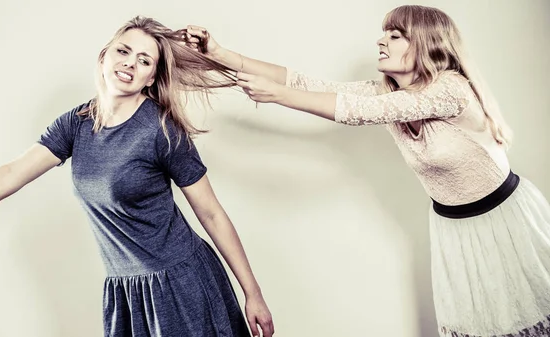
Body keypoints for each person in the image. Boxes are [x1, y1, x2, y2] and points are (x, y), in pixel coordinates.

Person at [183, 5, 550, 337]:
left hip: (503, 222)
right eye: (384, 33)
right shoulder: (386, 91)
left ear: (425, 43)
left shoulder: (451, 89)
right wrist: (222, 55)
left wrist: (276, 96)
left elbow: (354, 112)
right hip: (453, 228)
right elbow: (307, 84)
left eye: (395, 35)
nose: (381, 40)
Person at [0, 16, 274, 337]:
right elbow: (12, 173)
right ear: (104, 56)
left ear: (151, 78)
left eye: (144, 60)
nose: (130, 64)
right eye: (123, 51)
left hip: (180, 284)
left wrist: (253, 293)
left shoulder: (161, 130)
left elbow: (212, 213)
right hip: (126, 294)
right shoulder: (76, 124)